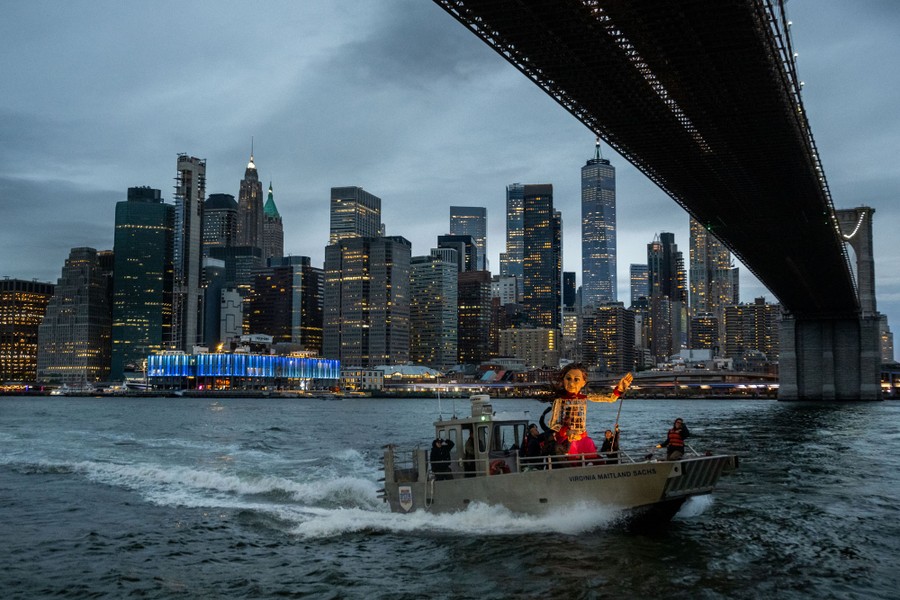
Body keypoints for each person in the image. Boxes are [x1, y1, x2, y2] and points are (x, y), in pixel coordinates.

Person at [544, 364, 633, 462]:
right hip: (565, 439)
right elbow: (552, 424)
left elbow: (609, 398)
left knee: (591, 453)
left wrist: (619, 389)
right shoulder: (559, 401)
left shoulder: (583, 398)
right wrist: (566, 431)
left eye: (576, 379)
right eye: (568, 379)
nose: (571, 383)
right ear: (563, 380)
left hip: (582, 437)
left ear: (583, 382)